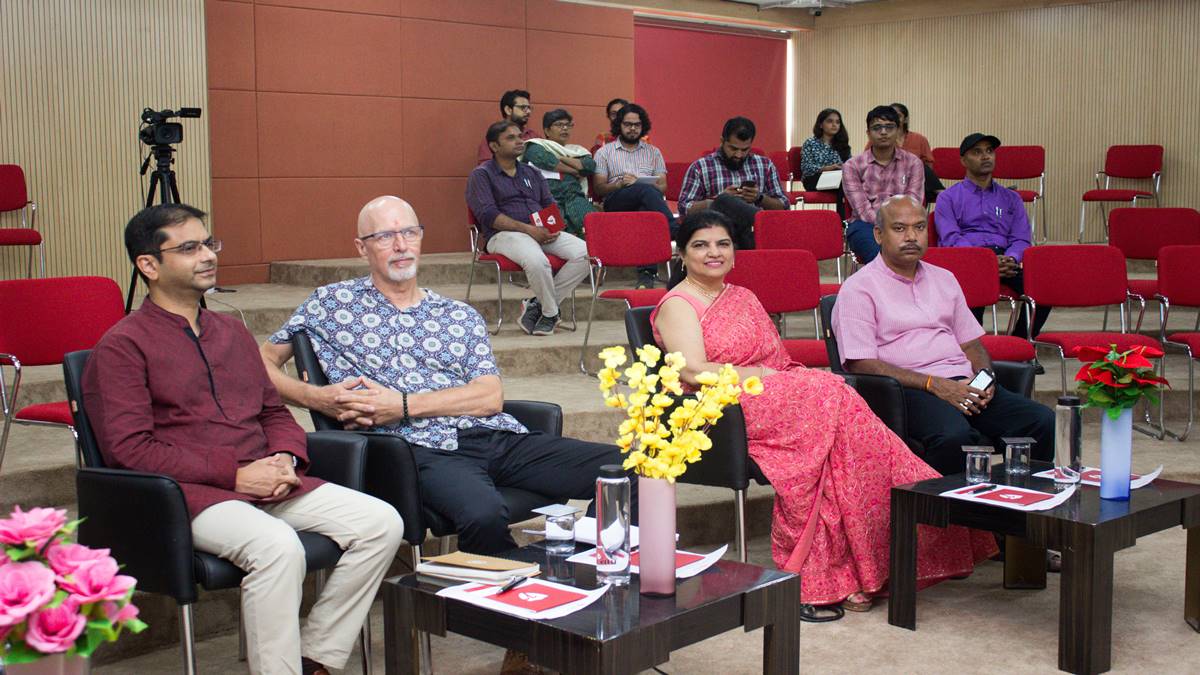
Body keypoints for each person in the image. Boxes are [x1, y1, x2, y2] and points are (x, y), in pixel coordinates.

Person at [84, 204, 404, 675]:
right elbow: (130, 449)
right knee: (277, 547)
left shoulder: (230, 331)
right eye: (189, 248)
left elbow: (273, 412)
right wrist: (235, 475)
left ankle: (314, 657)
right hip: (189, 495)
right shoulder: (123, 345)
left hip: (267, 479)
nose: (207, 256)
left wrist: (285, 457)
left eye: (208, 243)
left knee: (381, 522)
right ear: (148, 265)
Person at [652, 208, 996, 616]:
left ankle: (857, 566)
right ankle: (859, 559)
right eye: (701, 245)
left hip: (773, 391)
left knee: (837, 427)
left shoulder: (742, 296)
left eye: (722, 244)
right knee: (832, 395)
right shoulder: (678, 304)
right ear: (682, 254)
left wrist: (777, 378)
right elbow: (693, 370)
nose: (714, 253)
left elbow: (778, 361)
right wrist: (761, 375)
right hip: (721, 407)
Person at [261, 196, 635, 556]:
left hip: (495, 437)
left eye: (409, 233)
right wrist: (316, 398)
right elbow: (261, 362)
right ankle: (504, 594)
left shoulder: (458, 314)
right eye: (385, 236)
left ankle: (587, 568)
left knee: (632, 471)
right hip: (414, 450)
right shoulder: (330, 303)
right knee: (484, 513)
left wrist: (402, 405)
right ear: (362, 248)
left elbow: (489, 397)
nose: (401, 245)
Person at [832, 195, 1055, 476]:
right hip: (908, 390)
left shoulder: (944, 279)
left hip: (964, 384)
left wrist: (985, 378)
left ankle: (1018, 499)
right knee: (955, 437)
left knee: (1040, 421)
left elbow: (971, 344)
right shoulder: (858, 289)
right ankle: (943, 505)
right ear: (878, 235)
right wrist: (934, 384)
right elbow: (861, 363)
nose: (911, 237)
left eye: (919, 227)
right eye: (899, 228)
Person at [467, 120, 589, 336]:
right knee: (537, 261)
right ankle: (550, 313)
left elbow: (549, 204)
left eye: (520, 136)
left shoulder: (531, 173)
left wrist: (551, 226)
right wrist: (528, 229)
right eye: (510, 138)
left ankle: (537, 305)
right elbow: (488, 215)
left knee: (586, 253)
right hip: (503, 235)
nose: (519, 141)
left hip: (540, 231)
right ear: (494, 146)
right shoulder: (482, 175)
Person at [934, 133, 1050, 338]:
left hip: (1005, 258)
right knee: (973, 291)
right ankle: (973, 348)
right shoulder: (948, 198)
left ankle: (1019, 344)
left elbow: (1021, 237)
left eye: (989, 151)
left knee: (1044, 289)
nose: (985, 156)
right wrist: (985, 261)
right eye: (977, 152)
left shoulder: (1011, 198)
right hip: (968, 260)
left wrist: (1011, 258)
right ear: (963, 160)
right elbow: (950, 238)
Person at [676, 116, 790, 250]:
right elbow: (684, 208)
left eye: (745, 150)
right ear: (722, 141)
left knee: (745, 230)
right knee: (724, 201)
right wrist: (716, 201)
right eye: (733, 148)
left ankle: (755, 225)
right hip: (715, 232)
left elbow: (783, 206)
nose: (739, 155)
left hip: (753, 234)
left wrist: (759, 198)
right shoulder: (701, 167)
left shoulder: (765, 165)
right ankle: (760, 222)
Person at [592, 102, 674, 288]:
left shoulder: (653, 152)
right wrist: (620, 184)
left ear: (642, 126)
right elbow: (599, 188)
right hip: (616, 201)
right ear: (619, 125)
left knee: (646, 207)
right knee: (646, 191)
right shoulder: (605, 152)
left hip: (647, 202)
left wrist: (639, 183)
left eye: (637, 125)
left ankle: (646, 274)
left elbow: (662, 187)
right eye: (628, 124)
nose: (632, 129)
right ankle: (673, 228)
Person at [842, 105, 924, 264]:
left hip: (905, 222)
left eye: (889, 127)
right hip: (865, 224)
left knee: (911, 250)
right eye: (877, 128)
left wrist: (897, 226)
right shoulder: (852, 165)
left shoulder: (913, 163)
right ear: (868, 133)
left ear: (898, 130)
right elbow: (862, 209)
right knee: (882, 258)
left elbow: (913, 202)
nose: (884, 132)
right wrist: (889, 227)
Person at [520, 108, 598, 238]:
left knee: (593, 227)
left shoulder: (576, 150)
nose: (565, 128)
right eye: (559, 125)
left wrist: (561, 157)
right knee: (557, 234)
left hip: (574, 195)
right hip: (548, 199)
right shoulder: (535, 145)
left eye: (568, 125)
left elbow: (589, 166)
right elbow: (546, 160)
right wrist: (574, 169)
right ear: (547, 130)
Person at [799, 108, 852, 218]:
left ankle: (853, 219)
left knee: (852, 181)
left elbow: (850, 166)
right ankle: (842, 221)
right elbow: (806, 167)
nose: (834, 125)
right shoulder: (810, 143)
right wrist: (827, 168)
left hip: (838, 178)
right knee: (844, 183)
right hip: (814, 179)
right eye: (830, 121)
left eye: (837, 122)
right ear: (821, 125)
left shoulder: (843, 145)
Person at [476, 89, 537, 165]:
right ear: (508, 110)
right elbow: (486, 166)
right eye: (523, 107)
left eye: (529, 108)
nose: (528, 112)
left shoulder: (533, 136)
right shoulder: (494, 136)